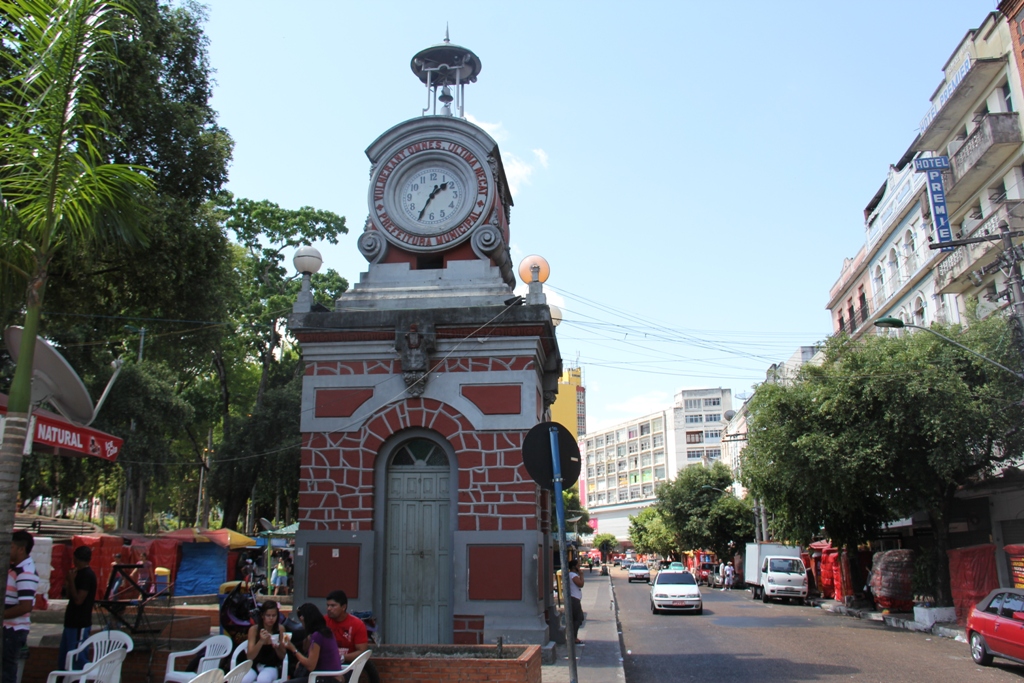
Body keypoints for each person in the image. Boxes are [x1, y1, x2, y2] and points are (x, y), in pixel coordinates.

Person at [4, 531, 38, 683]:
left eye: (10, 547)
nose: (7, 550)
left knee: (6, 672)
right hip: (7, 630)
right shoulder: (14, 568)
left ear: (20, 549)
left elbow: (25, 606)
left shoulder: (25, 572)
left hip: (12, 631)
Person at [283, 603, 343, 683]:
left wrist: (293, 648)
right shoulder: (326, 632)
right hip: (332, 677)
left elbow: (310, 665)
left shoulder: (317, 635)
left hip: (326, 679)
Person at [59, 546, 97, 671]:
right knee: (65, 657)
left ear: (76, 558)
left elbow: (78, 600)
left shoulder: (87, 575)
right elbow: (69, 595)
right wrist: (69, 582)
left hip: (80, 622)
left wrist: (71, 581)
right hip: (70, 621)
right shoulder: (76, 573)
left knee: (77, 657)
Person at [242, 601, 287, 683]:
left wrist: (277, 646)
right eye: (268, 615)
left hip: (271, 666)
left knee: (263, 679)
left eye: (274, 615)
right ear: (262, 616)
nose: (271, 618)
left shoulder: (280, 629)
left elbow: (283, 656)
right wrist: (261, 641)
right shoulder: (254, 630)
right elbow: (250, 657)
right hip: (254, 666)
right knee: (244, 679)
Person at [324, 590, 368, 664]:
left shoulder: (357, 624)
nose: (329, 609)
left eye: (333, 605)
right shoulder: (323, 621)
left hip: (348, 665)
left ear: (343, 607)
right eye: (328, 605)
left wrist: (342, 657)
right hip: (325, 664)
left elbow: (362, 652)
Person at [567, 559, 584, 645]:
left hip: (575, 599)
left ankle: (573, 637)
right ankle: (574, 638)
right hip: (574, 599)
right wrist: (581, 575)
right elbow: (581, 584)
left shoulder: (571, 575)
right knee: (578, 619)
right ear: (574, 567)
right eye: (578, 565)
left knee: (578, 618)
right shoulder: (573, 575)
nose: (579, 566)